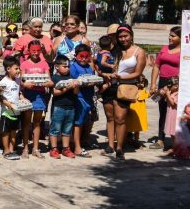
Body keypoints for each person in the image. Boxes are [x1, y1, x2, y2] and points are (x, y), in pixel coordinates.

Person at [104, 25, 146, 160]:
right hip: (110, 85)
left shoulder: (139, 52)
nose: (123, 39)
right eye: (120, 37)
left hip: (126, 86)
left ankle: (119, 147)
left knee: (120, 118)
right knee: (110, 117)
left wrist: (121, 77)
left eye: (125, 36)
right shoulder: (114, 50)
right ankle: (110, 145)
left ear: (131, 36)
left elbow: (138, 73)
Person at [20, 40, 54, 159]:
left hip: (40, 95)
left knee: (37, 122)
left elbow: (50, 81)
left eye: (38, 50)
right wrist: (25, 85)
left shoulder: (44, 63)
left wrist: (47, 83)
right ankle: (25, 148)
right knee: (26, 122)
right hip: (28, 95)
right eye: (33, 50)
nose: (35, 53)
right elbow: (21, 81)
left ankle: (35, 148)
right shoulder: (24, 64)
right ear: (28, 50)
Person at [149, 26, 181, 150]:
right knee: (162, 111)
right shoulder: (164, 49)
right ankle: (160, 139)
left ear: (180, 37)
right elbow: (157, 66)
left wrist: (174, 86)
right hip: (162, 82)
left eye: (173, 36)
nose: (170, 38)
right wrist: (153, 83)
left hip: (176, 84)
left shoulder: (185, 51)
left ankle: (177, 140)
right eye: (169, 35)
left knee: (174, 111)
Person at [70, 44, 98, 157]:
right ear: (76, 56)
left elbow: (92, 78)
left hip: (88, 98)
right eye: (81, 56)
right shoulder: (73, 67)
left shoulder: (89, 67)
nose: (84, 59)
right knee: (78, 122)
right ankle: (77, 147)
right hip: (79, 98)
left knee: (82, 122)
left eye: (86, 57)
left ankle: (78, 143)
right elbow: (73, 82)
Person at [50, 57, 79, 159]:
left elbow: (76, 92)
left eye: (68, 66)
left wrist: (76, 85)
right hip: (58, 107)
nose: (67, 68)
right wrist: (67, 88)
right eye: (64, 66)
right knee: (55, 129)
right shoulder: (54, 78)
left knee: (67, 129)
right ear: (57, 67)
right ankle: (54, 149)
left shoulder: (71, 77)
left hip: (71, 107)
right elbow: (55, 92)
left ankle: (66, 148)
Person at [0, 56, 24, 160]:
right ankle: (6, 150)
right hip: (7, 112)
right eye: (16, 68)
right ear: (8, 69)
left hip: (16, 111)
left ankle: (12, 149)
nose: (18, 70)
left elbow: (19, 93)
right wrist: (7, 103)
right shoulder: (3, 82)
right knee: (6, 131)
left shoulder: (18, 80)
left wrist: (23, 99)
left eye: (19, 68)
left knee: (14, 131)